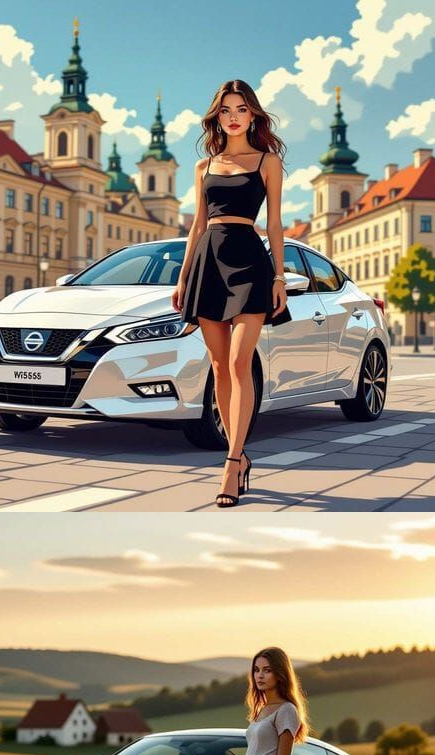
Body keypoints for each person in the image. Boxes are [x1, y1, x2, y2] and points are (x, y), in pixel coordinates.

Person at [172, 79, 293, 507]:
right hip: (208, 264)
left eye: (241, 109)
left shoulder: (267, 161)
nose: (234, 116)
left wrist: (279, 277)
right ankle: (238, 454)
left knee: (241, 362)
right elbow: (197, 226)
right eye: (226, 110)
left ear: (253, 114)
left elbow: (275, 225)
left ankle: (232, 459)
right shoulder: (204, 167)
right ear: (217, 117)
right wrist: (184, 277)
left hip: (250, 265)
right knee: (220, 368)